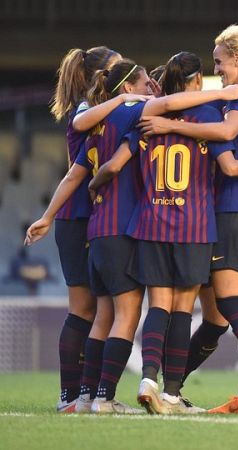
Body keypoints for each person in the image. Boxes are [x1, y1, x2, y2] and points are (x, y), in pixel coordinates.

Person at [26, 57, 238, 414]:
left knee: (117, 312)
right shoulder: (160, 112)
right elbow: (216, 145)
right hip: (174, 225)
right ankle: (137, 395)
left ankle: (90, 395)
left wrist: (85, 193)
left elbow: (95, 168)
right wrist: (225, 94)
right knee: (155, 311)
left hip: (114, 227)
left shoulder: (113, 122)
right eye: (144, 81)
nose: (152, 86)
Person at [88, 52, 238, 414]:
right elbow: (228, 166)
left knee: (158, 305)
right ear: (198, 80)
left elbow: (117, 163)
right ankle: (171, 394)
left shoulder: (149, 114)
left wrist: (95, 186)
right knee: (183, 309)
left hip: (152, 221)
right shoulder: (208, 115)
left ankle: (147, 378)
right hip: (194, 223)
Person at [138, 23, 238, 415]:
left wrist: (170, 125)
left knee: (228, 302)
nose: (218, 71)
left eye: (220, 62)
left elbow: (228, 133)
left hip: (234, 207)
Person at [48, 45, 122, 413]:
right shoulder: (86, 111)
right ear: (101, 77)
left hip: (93, 219)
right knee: (82, 309)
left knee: (99, 310)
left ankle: (88, 394)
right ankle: (69, 396)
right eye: (118, 69)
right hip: (77, 218)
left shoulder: (103, 113)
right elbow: (76, 170)